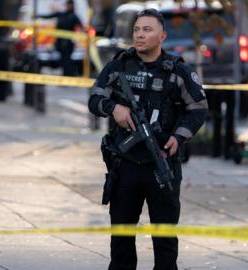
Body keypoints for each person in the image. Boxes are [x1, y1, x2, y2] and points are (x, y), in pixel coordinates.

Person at [88, 8, 208, 270]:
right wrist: (113, 108)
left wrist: (178, 137)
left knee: (165, 243)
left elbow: (198, 109)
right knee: (121, 241)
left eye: (147, 30)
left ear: (162, 36)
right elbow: (94, 99)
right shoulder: (119, 65)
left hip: (161, 163)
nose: (140, 35)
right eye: (137, 30)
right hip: (126, 164)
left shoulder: (177, 72)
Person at [38, 0, 82, 76]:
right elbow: (49, 16)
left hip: (68, 43)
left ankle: (69, 76)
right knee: (63, 61)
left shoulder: (74, 17)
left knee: (68, 61)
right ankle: (66, 76)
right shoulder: (61, 15)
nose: (69, 6)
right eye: (68, 5)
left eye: (70, 5)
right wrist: (38, 16)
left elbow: (81, 27)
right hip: (60, 42)